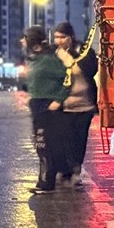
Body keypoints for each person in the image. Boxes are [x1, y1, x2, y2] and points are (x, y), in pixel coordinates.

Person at [21, 26, 71, 194]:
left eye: (25, 38)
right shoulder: (35, 59)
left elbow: (67, 77)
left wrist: (58, 100)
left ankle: (46, 183)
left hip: (47, 106)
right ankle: (60, 174)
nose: (22, 41)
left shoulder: (49, 60)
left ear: (33, 41)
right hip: (38, 105)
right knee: (43, 144)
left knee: (44, 145)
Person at [53, 22, 98, 187]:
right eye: (56, 37)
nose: (59, 41)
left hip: (84, 105)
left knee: (79, 140)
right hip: (63, 106)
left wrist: (71, 57)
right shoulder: (54, 54)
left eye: (62, 37)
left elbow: (91, 69)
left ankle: (76, 171)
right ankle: (65, 170)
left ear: (70, 37)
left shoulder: (83, 51)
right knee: (64, 140)